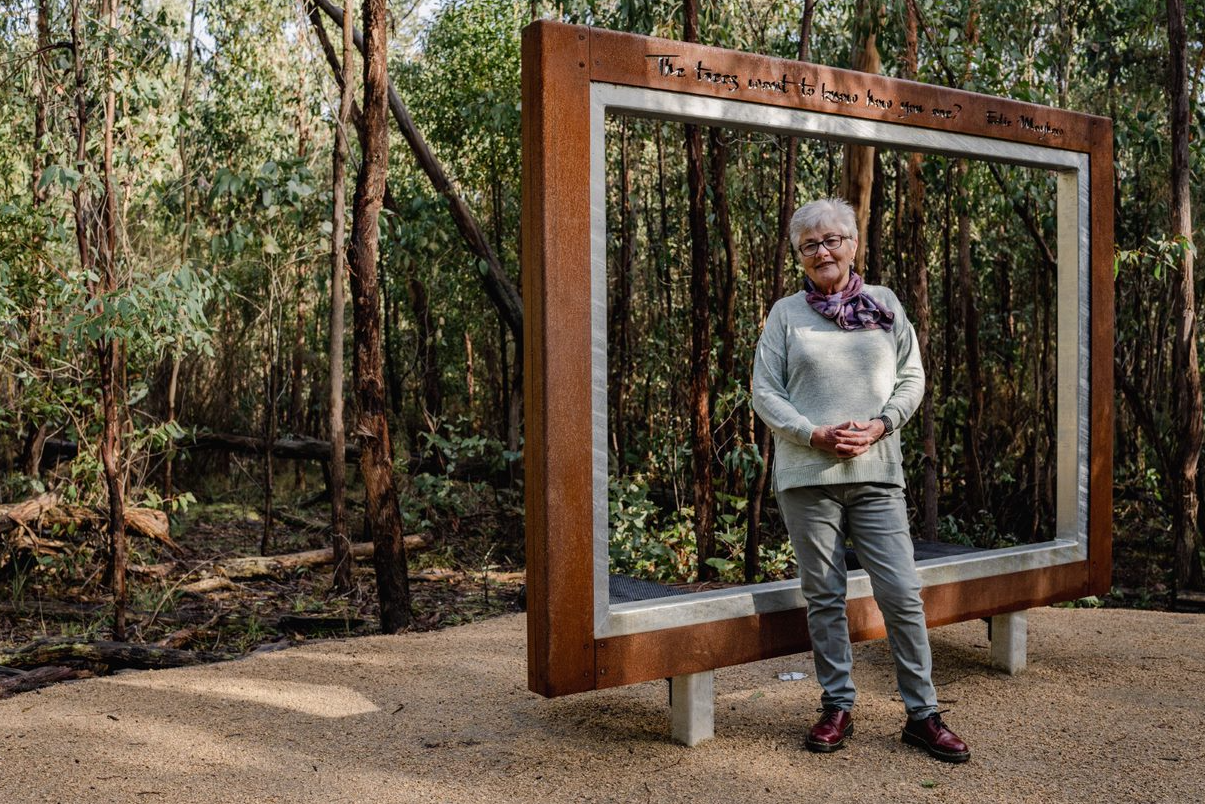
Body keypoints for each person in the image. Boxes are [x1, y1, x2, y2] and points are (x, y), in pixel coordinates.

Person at [750, 197, 970, 763]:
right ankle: (836, 705)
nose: (823, 251)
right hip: (808, 475)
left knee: (899, 591)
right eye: (810, 244)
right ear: (799, 254)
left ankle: (923, 714)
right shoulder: (784, 315)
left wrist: (880, 425)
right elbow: (765, 391)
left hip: (876, 472)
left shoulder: (886, 304)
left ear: (853, 244)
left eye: (832, 240)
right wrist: (812, 432)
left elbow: (911, 376)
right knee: (823, 595)